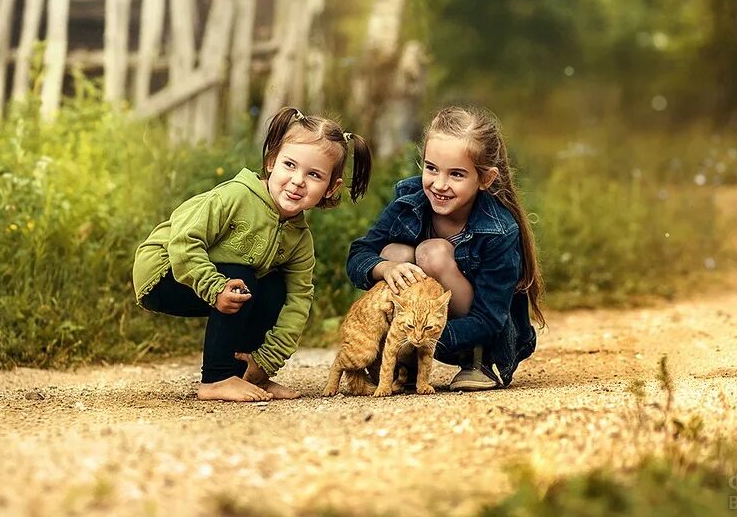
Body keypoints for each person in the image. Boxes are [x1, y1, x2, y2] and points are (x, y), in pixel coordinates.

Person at [133, 107, 373, 402]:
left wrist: (266, 360)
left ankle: (244, 373)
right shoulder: (235, 197)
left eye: (313, 174)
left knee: (274, 287)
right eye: (289, 165)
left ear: (330, 188)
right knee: (242, 278)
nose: (298, 181)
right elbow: (184, 242)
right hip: (164, 270)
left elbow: (298, 301)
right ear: (271, 161)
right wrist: (215, 287)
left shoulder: (299, 239)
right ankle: (217, 378)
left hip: (217, 280)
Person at [346, 105, 544, 391]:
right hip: (419, 329)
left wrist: (425, 339)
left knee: (432, 253)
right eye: (431, 169)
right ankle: (407, 367)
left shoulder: (499, 230)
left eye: (457, 175)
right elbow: (359, 255)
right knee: (394, 255)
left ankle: (477, 362)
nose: (439, 184)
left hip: (481, 334)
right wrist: (384, 268)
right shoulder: (410, 203)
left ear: (485, 179)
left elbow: (490, 319)